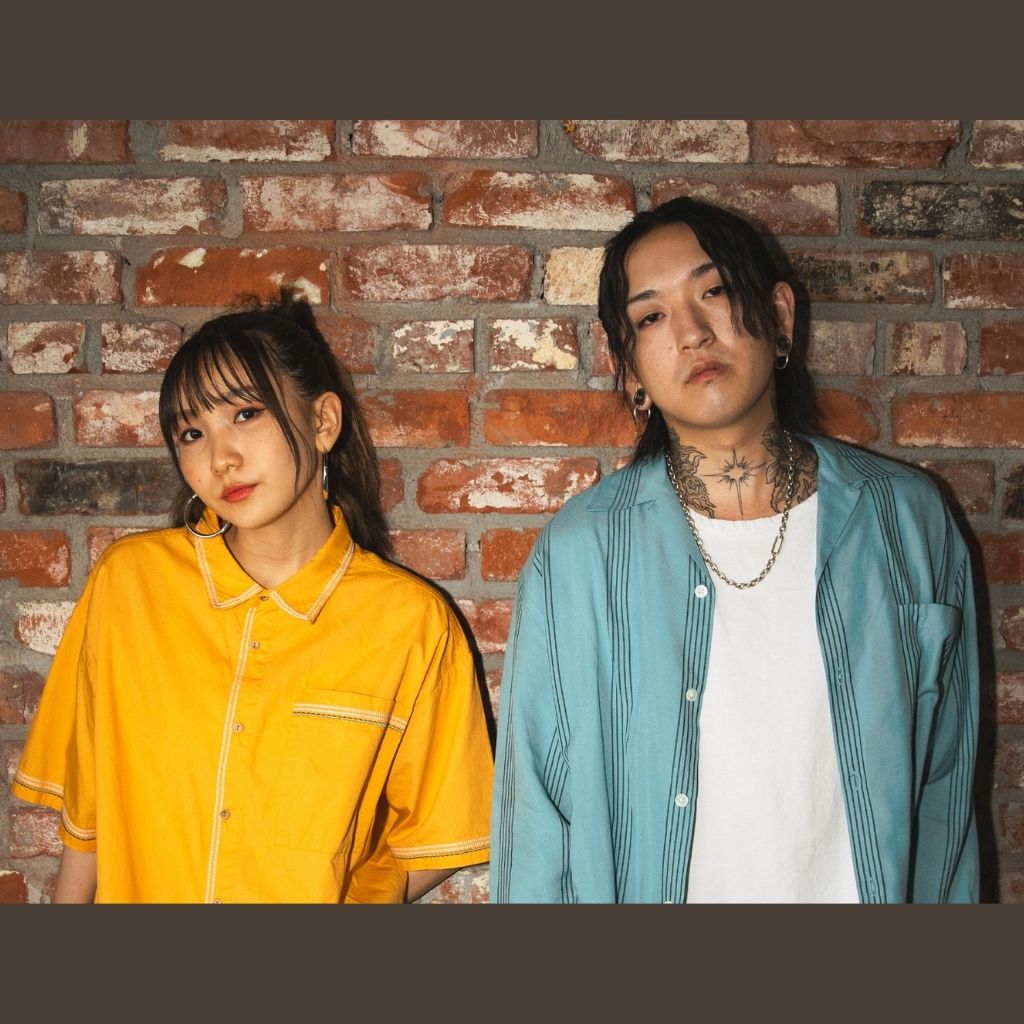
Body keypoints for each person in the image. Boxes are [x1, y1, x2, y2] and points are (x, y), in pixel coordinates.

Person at [490, 196, 979, 903]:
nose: (691, 333)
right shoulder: (580, 555)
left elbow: (947, 793)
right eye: (650, 317)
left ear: (779, 317)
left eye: (714, 291)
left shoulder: (904, 520)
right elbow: (537, 823)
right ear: (629, 369)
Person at [12, 290, 493, 903]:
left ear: (322, 423)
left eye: (245, 414)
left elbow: (444, 828)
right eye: (192, 432)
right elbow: (88, 814)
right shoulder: (129, 586)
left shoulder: (411, 623)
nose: (221, 458)